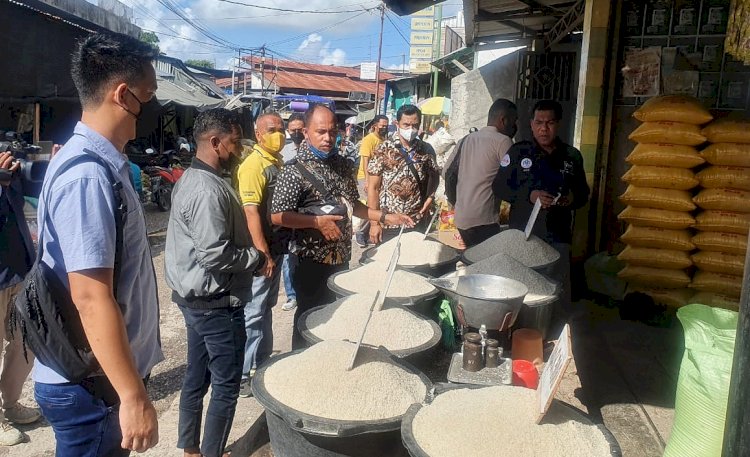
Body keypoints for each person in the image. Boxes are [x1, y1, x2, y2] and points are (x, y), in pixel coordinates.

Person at [33, 32, 162, 456]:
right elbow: (89, 296)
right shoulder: (87, 175)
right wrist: (132, 396)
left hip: (96, 378)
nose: (151, 108)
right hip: (93, 386)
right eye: (149, 95)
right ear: (123, 96)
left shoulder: (96, 162)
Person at [165, 108, 266, 457]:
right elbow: (215, 255)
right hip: (215, 302)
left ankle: (191, 447)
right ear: (215, 142)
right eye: (235, 143)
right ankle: (210, 453)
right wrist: (255, 258)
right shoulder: (207, 189)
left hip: (195, 299)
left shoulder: (192, 179)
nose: (239, 150)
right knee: (225, 384)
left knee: (196, 376)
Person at [270, 105, 413, 349]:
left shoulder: (342, 165)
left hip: (340, 258)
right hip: (309, 261)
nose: (328, 138)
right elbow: (277, 216)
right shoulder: (293, 171)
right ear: (306, 132)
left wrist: (385, 217)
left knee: (336, 315)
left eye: (333, 132)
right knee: (309, 321)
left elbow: (352, 204)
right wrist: (315, 222)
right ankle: (301, 369)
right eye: (321, 132)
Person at [496, 99, 590, 314]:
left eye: (549, 123)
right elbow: (500, 187)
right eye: (539, 122)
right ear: (531, 124)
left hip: (557, 237)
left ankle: (554, 333)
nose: (543, 128)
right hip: (523, 236)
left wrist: (570, 199)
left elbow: (584, 194)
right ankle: (519, 327)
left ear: (558, 124)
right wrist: (529, 196)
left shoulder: (572, 157)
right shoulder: (519, 152)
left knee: (554, 290)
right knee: (521, 288)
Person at [236, 112, 290, 397]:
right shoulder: (253, 166)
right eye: (272, 130)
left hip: (276, 250)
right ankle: (243, 374)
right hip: (262, 254)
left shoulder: (276, 162)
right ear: (258, 134)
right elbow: (250, 212)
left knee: (266, 309)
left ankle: (264, 363)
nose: (278, 135)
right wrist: (262, 255)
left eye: (281, 129)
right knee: (253, 312)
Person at [0, 150, 42, 446]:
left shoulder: (9, 175)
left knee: (25, 343)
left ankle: (10, 403)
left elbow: (37, 192)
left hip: (19, 272)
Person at [451, 98, 518, 248]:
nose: (515, 126)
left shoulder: (466, 139)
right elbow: (513, 178)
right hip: (484, 220)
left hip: (461, 217)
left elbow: (447, 172)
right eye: (514, 121)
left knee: (471, 259)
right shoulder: (503, 141)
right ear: (503, 120)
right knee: (485, 263)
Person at [367, 105, 439, 244]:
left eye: (415, 125)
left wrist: (430, 197)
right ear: (397, 124)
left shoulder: (426, 150)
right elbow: (373, 188)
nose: (411, 129)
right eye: (406, 125)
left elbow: (434, 176)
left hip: (416, 221)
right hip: (389, 222)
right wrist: (374, 223)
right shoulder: (383, 149)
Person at [279, 113, 305, 312]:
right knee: (288, 257)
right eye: (293, 129)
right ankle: (292, 295)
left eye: (300, 129)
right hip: (288, 211)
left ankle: (304, 290)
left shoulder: (312, 149)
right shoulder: (283, 152)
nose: (297, 133)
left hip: (306, 210)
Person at [354, 115, 389, 247]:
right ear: (375, 125)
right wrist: (367, 182)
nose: (384, 128)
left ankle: (370, 234)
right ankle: (360, 233)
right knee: (370, 206)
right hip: (366, 177)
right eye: (382, 126)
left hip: (378, 177)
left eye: (386, 126)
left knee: (376, 205)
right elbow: (365, 160)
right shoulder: (369, 139)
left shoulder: (383, 140)